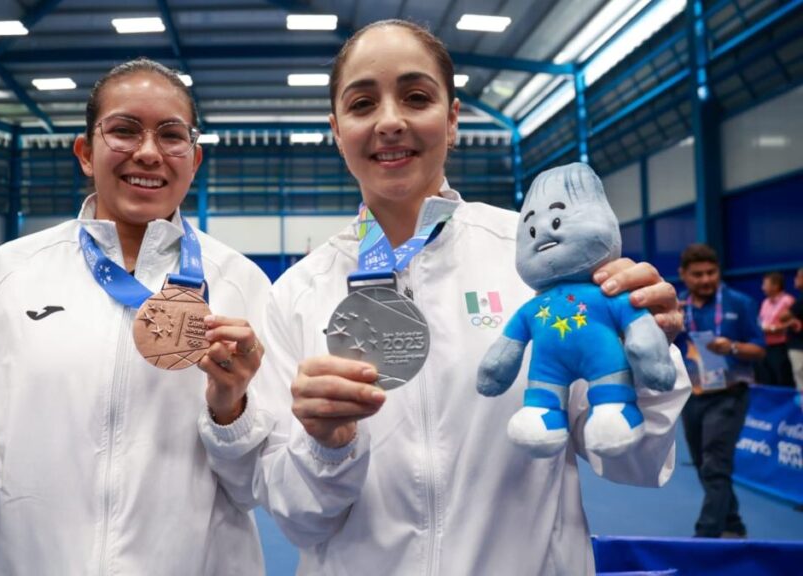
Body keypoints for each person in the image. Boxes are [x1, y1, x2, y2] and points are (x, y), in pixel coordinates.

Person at [245, 20, 689, 575]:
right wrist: (326, 446)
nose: (390, 122)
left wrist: (646, 361)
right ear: (337, 130)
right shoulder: (296, 296)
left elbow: (633, 460)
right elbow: (300, 521)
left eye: (416, 97)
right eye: (362, 104)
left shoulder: (536, 263)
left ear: (452, 119)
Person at [0, 59, 278, 574]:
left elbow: (256, 489)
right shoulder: (4, 275)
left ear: (194, 159)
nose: (149, 153)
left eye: (171, 136)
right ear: (86, 153)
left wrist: (230, 409)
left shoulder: (243, 286)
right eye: (124, 130)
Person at [675, 243, 765, 538]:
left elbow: (760, 349)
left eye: (711, 272)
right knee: (704, 466)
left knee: (715, 464)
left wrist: (733, 347)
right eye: (697, 274)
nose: (705, 279)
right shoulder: (678, 308)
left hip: (729, 395)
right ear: (684, 275)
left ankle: (705, 538)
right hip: (692, 396)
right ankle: (733, 524)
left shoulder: (739, 302)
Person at [756, 271, 795, 386]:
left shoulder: (788, 301)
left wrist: (773, 329)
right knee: (767, 379)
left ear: (775, 286)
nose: (762, 288)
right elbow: (761, 321)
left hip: (781, 347)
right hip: (765, 346)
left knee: (782, 378)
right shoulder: (765, 302)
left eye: (765, 284)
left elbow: (791, 324)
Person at [783, 268, 803, 391]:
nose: (795, 280)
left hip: (799, 349)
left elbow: (783, 316)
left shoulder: (799, 302)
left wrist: (789, 321)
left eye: (797, 277)